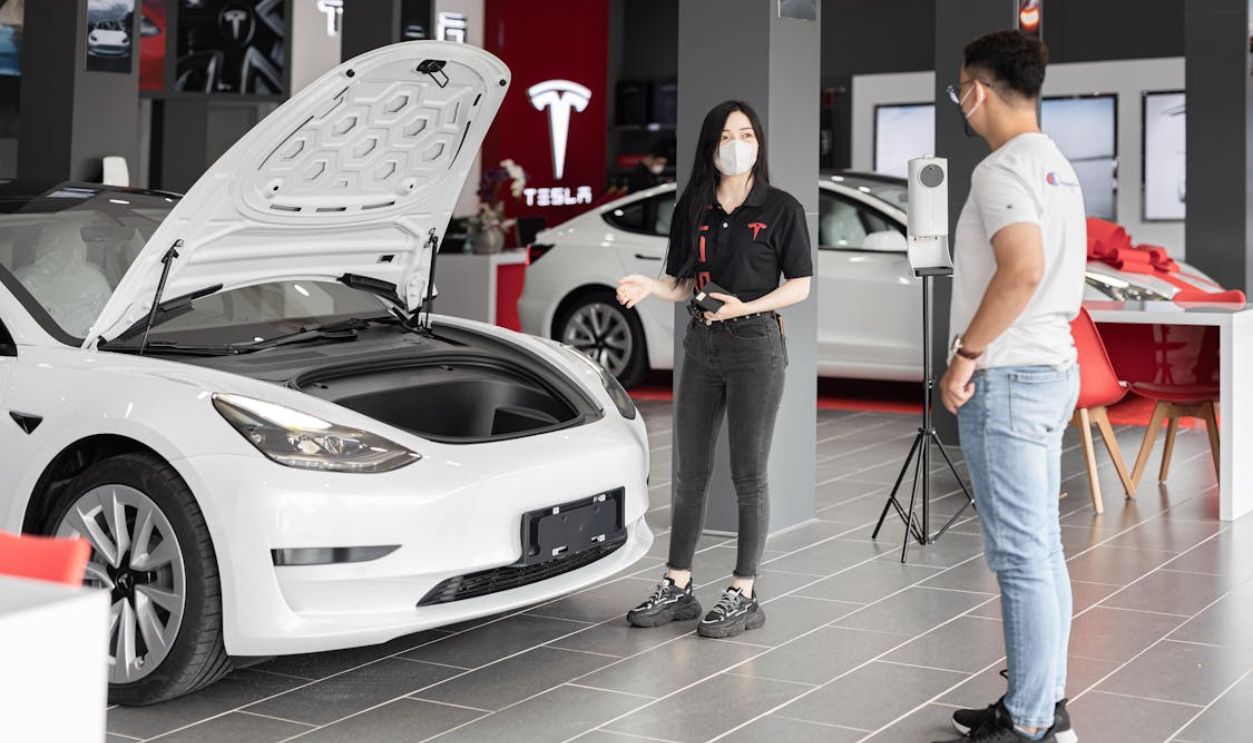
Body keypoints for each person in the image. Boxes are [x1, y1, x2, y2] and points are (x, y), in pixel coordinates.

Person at [933, 31, 1085, 743]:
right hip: (1051, 367)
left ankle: (1028, 721)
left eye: (960, 87)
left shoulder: (1000, 171)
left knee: (1021, 554)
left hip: (1011, 376)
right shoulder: (1056, 164)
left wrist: (964, 355)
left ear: (976, 90)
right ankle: (1040, 698)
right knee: (1042, 548)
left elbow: (1019, 270)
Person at [615, 101, 812, 639]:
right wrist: (649, 286)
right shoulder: (694, 207)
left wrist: (742, 308)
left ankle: (743, 591)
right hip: (701, 347)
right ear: (710, 146)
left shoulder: (781, 209)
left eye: (747, 133)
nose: (737, 143)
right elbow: (684, 283)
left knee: (748, 474)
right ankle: (677, 585)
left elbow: (800, 285)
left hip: (755, 348)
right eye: (727, 135)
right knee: (690, 473)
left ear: (758, 144)